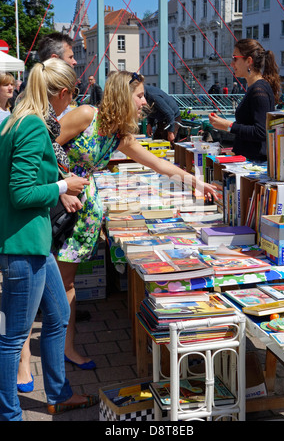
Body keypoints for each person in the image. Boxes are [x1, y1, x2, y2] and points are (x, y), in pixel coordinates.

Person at [49, 71, 217, 369]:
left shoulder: (118, 134)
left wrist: (195, 182)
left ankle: (64, 348)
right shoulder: (87, 115)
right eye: (139, 95)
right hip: (62, 208)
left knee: (66, 283)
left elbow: (159, 164)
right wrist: (62, 186)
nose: (145, 101)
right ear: (121, 95)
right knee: (58, 284)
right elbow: (44, 146)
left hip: (82, 215)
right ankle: (57, 350)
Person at [0, 58, 100, 420]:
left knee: (57, 316)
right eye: (70, 97)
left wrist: (58, 192)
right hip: (23, 244)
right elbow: (19, 193)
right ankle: (9, 413)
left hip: (35, 243)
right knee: (13, 337)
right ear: (61, 94)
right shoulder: (31, 126)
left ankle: (57, 394)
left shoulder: (19, 120)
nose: (70, 107)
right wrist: (63, 185)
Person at [208, 38, 280, 161]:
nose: (232, 63)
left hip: (255, 163)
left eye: (235, 58)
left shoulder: (259, 90)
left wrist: (228, 126)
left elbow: (261, 132)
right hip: (250, 160)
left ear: (249, 61)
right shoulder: (257, 87)